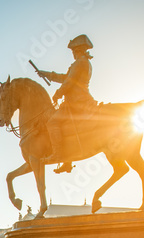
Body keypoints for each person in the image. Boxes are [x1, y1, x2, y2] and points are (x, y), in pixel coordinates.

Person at [37, 34, 98, 174]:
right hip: (80, 101)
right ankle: (67, 162)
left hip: (77, 103)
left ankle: (59, 155)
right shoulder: (84, 62)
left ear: (78, 50)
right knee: (65, 126)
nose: (73, 54)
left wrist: (58, 93)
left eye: (73, 51)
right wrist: (46, 74)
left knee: (52, 123)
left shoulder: (80, 62)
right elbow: (65, 78)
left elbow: (69, 82)